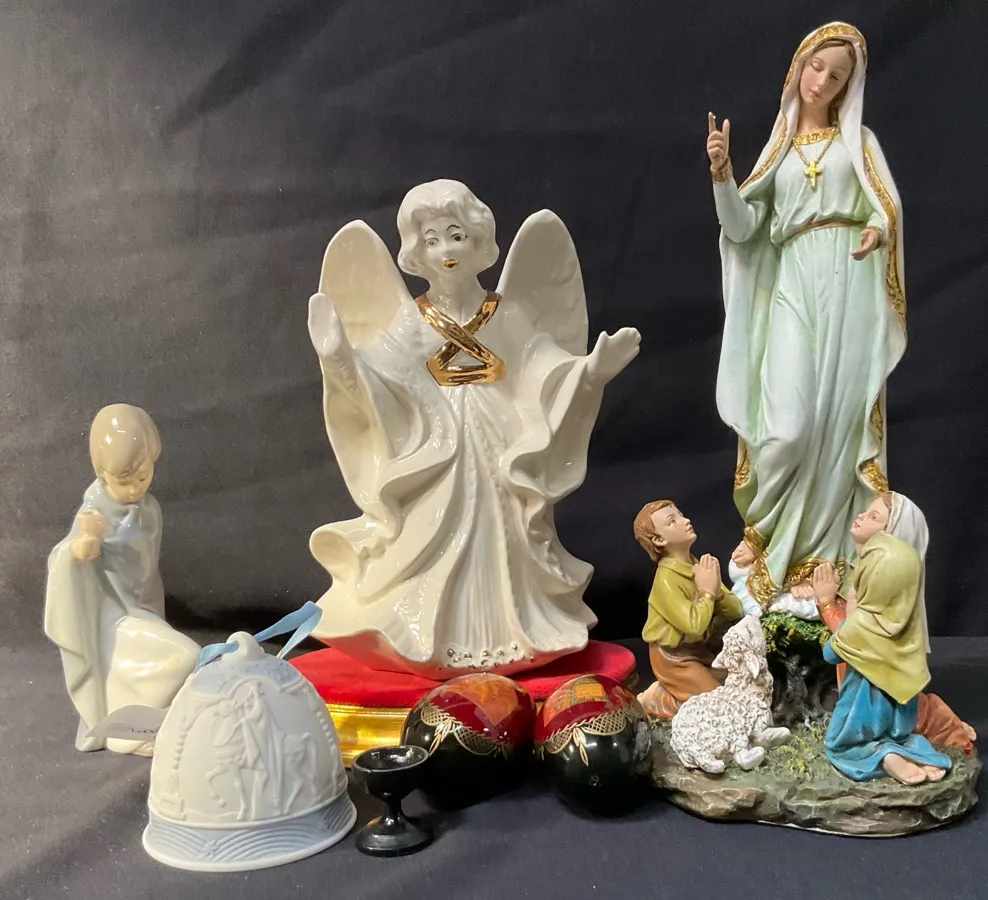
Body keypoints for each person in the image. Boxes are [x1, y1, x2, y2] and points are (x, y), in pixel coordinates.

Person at [308, 180, 640, 678]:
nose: (445, 250)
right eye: (432, 239)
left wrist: (591, 371)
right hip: (436, 441)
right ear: (416, 252)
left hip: (499, 434)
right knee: (434, 531)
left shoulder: (505, 313)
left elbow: (539, 365)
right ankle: (433, 633)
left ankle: (508, 630)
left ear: (479, 240)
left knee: (504, 530)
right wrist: (338, 356)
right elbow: (377, 377)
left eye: (456, 235)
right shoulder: (412, 319)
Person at [706, 22, 906, 618]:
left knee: (837, 421)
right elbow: (742, 227)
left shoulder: (858, 142)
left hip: (850, 285)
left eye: (836, 75)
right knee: (787, 427)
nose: (822, 81)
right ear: (798, 66)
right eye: (816, 66)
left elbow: (886, 207)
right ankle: (768, 529)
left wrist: (877, 231)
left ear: (848, 87)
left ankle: (822, 562)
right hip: (795, 278)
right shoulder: (779, 151)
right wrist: (722, 174)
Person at [44, 404, 199, 754]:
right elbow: (67, 558)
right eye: (123, 482)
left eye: (142, 477)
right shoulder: (94, 515)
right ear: (102, 474)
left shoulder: (149, 509)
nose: (134, 489)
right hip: (112, 617)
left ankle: (144, 723)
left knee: (177, 666)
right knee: (186, 656)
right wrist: (83, 548)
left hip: (144, 609)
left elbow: (146, 569)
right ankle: (124, 733)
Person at [811, 493, 956, 783]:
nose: (861, 517)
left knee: (841, 744)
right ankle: (917, 756)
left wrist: (825, 602)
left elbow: (840, 644)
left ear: (890, 533)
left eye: (874, 517)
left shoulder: (871, 596)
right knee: (900, 734)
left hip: (865, 691)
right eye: (866, 512)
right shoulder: (903, 613)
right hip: (901, 691)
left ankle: (885, 757)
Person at [633, 500, 743, 719]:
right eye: (672, 521)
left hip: (701, 648)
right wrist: (707, 593)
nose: (686, 520)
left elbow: (736, 611)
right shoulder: (666, 580)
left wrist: (716, 593)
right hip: (674, 658)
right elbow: (693, 626)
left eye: (681, 514)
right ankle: (657, 700)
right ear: (659, 539)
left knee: (738, 682)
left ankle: (680, 689)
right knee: (720, 704)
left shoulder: (696, 565)